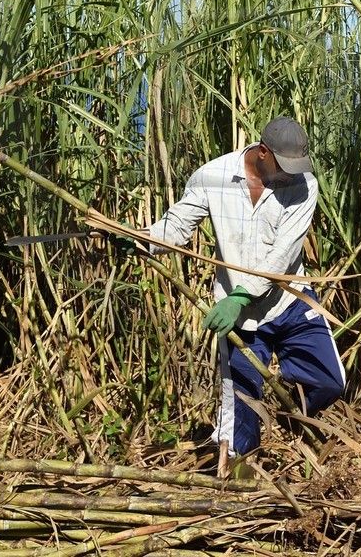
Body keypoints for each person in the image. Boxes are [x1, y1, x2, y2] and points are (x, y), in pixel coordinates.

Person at [133, 117, 346, 460]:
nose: (293, 174)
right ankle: (241, 486)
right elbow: (176, 227)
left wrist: (241, 294)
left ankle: (286, 416)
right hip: (242, 317)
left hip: (288, 302)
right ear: (263, 152)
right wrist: (140, 239)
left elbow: (283, 255)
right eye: (285, 165)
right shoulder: (212, 176)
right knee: (241, 422)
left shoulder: (304, 185)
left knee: (329, 382)